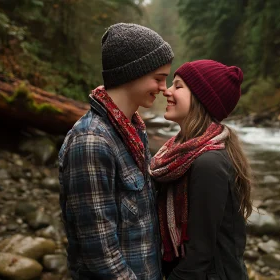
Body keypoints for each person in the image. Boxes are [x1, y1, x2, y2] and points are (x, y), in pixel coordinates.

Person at [58, 23, 174, 280]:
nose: (165, 89)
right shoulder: (91, 141)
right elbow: (100, 256)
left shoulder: (132, 130)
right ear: (132, 74)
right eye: (158, 78)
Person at [149, 60, 252, 280]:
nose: (167, 91)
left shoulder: (209, 163)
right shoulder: (180, 153)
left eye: (178, 86)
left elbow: (199, 256)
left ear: (200, 98)